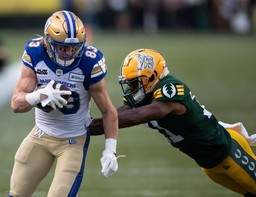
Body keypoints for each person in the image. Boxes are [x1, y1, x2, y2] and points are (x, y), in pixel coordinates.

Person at [89, 48, 256, 196]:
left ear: (152, 76)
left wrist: (93, 126)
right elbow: (118, 115)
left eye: (134, 83)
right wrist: (84, 127)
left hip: (228, 152)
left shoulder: (170, 88)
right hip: (209, 165)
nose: (131, 89)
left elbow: (138, 115)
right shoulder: (145, 94)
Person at [9, 10, 119, 197]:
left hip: (73, 141)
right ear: (48, 42)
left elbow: (109, 111)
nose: (69, 53)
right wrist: (38, 96)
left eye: (74, 48)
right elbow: (16, 104)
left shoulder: (89, 62)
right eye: (62, 48)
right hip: (40, 135)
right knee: (16, 194)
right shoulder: (35, 53)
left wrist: (110, 150)